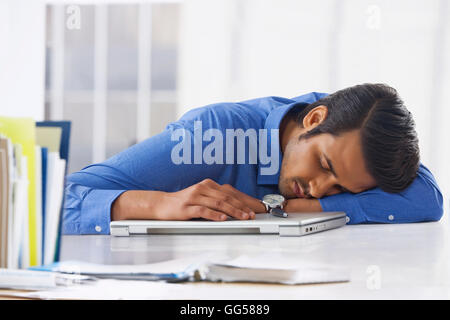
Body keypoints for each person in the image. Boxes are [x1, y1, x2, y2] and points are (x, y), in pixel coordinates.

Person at [63, 83, 443, 235]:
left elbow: (428, 198)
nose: (319, 189)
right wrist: (159, 203)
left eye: (342, 187)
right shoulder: (214, 134)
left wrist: (306, 207)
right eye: (325, 166)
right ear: (313, 119)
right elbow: (57, 201)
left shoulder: (357, 136)